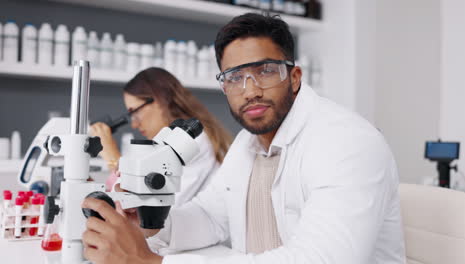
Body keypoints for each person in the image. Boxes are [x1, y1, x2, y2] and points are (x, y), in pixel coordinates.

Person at [82, 13, 406, 264]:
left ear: (294, 78)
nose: (250, 90)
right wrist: (152, 220)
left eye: (265, 70)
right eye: (235, 77)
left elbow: (319, 260)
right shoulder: (249, 145)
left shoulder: (345, 142)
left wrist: (150, 261)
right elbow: (211, 217)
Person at [90, 67, 232, 205]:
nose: (134, 124)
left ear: (158, 100)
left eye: (135, 112)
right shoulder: (169, 143)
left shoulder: (192, 143)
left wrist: (113, 159)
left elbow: (155, 207)